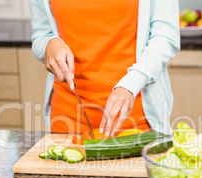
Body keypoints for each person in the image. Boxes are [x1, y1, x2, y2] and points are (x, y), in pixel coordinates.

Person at [30, 0, 180, 136]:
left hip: (136, 122)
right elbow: (41, 35)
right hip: (67, 120)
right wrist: (49, 44)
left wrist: (131, 84)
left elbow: (166, 37)